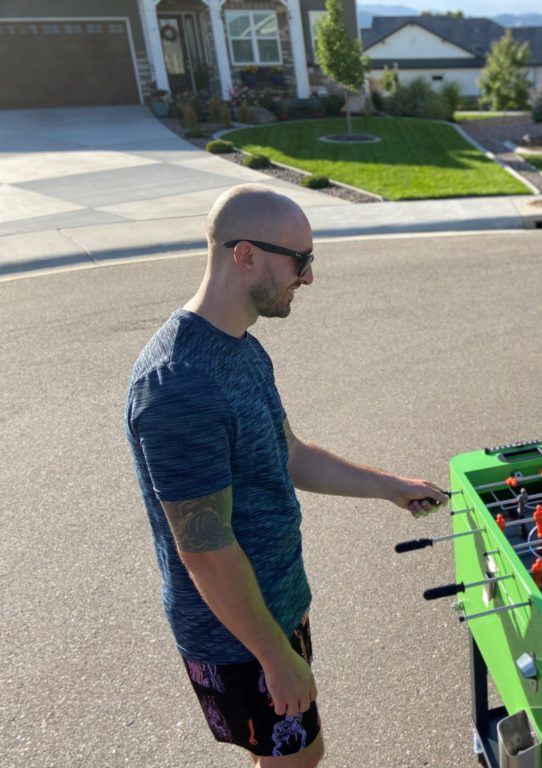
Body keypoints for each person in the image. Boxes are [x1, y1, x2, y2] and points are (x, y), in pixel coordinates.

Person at [124, 183, 448, 767]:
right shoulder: (179, 384)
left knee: (281, 760)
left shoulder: (240, 348)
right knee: (300, 760)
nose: (309, 277)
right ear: (244, 255)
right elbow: (205, 547)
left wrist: (389, 486)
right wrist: (274, 656)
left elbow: (288, 452)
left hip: (273, 607)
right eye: (300, 261)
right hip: (239, 637)